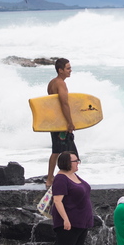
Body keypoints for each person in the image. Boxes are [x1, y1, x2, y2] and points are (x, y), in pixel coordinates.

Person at [50, 151, 96, 245]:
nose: (78, 163)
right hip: (69, 221)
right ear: (67, 163)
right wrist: (65, 219)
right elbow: (57, 201)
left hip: (82, 220)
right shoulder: (61, 178)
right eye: (76, 161)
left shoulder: (74, 175)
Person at [46, 58, 78, 187]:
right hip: (61, 123)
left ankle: (51, 177)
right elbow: (64, 104)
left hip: (54, 121)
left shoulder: (52, 83)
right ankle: (64, 178)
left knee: (57, 151)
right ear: (60, 70)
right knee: (70, 153)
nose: (70, 70)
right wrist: (70, 122)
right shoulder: (60, 84)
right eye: (68, 68)